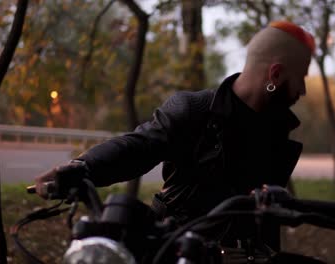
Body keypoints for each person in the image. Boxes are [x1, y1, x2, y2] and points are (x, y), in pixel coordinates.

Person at [34, 20, 314, 251]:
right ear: (274, 75)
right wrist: (83, 168)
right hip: (179, 251)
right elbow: (140, 146)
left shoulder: (276, 129)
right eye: (300, 77)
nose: (302, 89)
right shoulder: (195, 111)